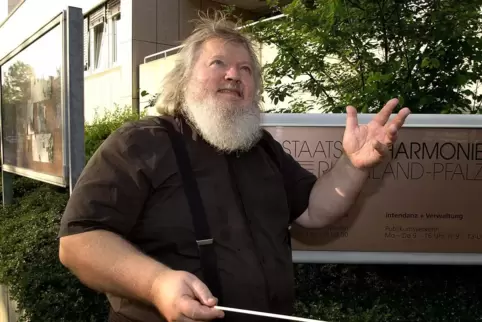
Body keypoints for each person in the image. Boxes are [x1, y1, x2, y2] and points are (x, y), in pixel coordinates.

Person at [58, 11, 410, 322]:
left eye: (246, 69)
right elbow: (78, 242)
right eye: (218, 64)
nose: (233, 75)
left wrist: (354, 165)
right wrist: (156, 285)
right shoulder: (139, 143)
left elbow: (314, 211)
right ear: (184, 79)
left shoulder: (263, 149)